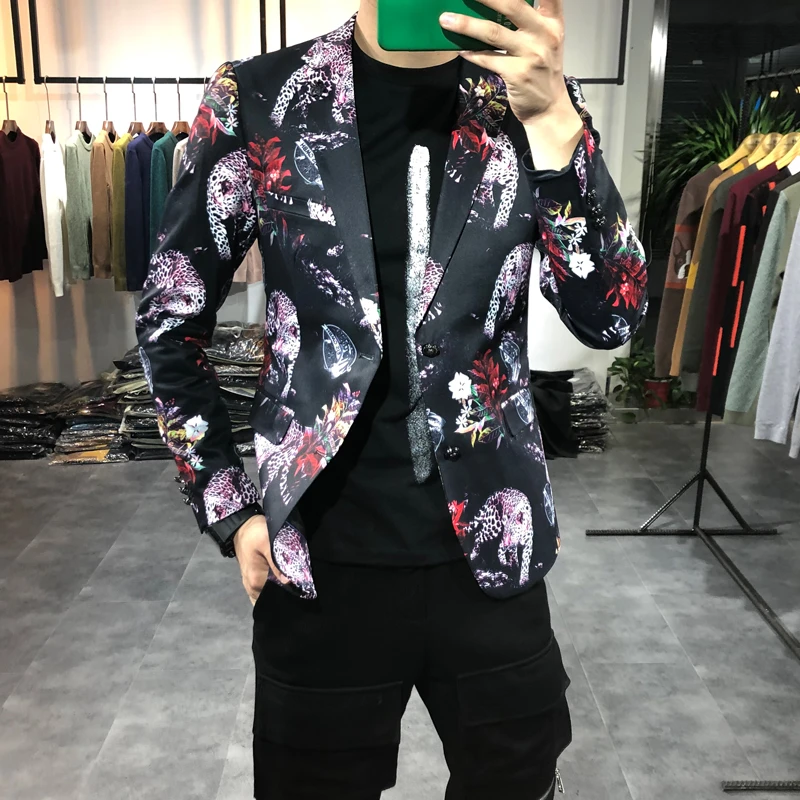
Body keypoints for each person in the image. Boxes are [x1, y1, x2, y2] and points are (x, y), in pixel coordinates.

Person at [136, 0, 647, 797]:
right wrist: (229, 504)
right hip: (320, 561)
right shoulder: (260, 97)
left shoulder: (532, 98)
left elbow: (611, 315)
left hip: (494, 551)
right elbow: (171, 320)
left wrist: (555, 125)